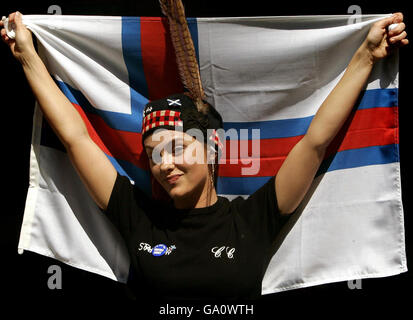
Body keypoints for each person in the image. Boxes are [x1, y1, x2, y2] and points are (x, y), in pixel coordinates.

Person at [1, 11, 408, 300]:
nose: (165, 164)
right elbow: (76, 139)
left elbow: (315, 142)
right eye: (154, 153)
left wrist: (366, 57)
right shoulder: (136, 216)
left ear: (212, 148)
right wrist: (28, 58)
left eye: (177, 147)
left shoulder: (254, 219)